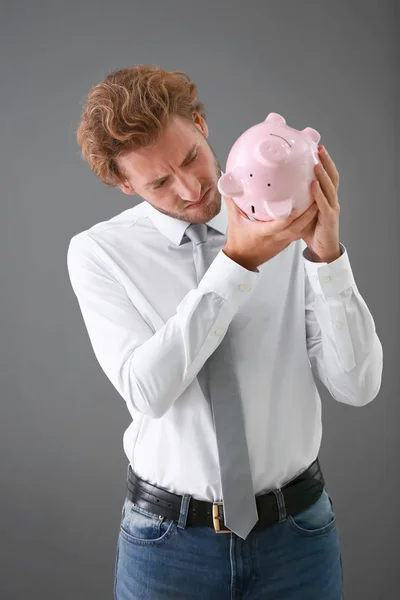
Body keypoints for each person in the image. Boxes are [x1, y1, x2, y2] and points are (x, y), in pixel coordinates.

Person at [67, 65, 383, 599]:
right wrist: (236, 264)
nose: (192, 188)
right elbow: (147, 390)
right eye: (159, 183)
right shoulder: (99, 253)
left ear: (201, 122)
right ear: (124, 185)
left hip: (297, 536)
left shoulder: (285, 217)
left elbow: (358, 386)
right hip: (167, 547)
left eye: (190, 157)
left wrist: (327, 257)